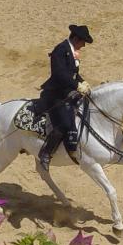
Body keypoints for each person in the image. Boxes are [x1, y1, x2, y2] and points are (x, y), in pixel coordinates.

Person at [36, 25, 93, 171]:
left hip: (67, 92)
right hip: (55, 94)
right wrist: (76, 85)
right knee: (65, 124)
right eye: (83, 42)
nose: (84, 45)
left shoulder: (71, 51)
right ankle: (46, 153)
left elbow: (73, 73)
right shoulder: (60, 50)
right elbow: (59, 75)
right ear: (76, 39)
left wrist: (82, 82)